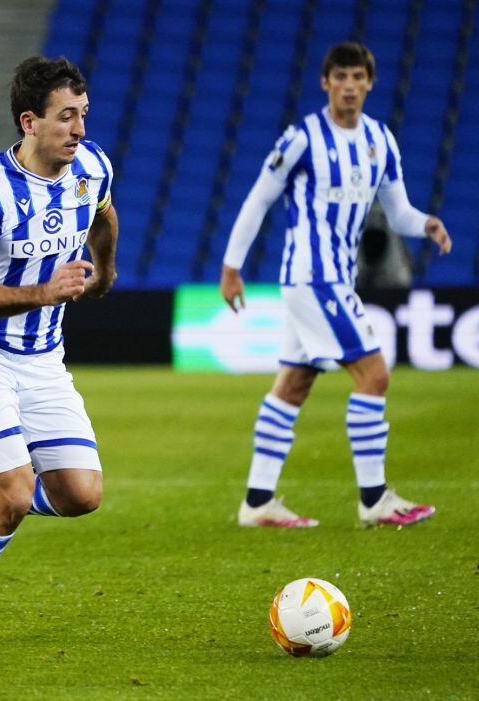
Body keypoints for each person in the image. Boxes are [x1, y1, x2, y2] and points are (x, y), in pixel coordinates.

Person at [0, 56, 118, 651]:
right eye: (66, 118)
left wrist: (105, 272)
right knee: (13, 494)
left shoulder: (92, 166)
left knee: (80, 495)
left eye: (83, 115)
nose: (80, 129)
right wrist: (46, 290)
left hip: (44, 358)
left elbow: (103, 213)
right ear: (29, 122)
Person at [219, 42, 452, 529]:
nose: (349, 85)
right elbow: (259, 199)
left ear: (370, 83)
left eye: (357, 77)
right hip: (311, 274)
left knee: (294, 385)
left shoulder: (380, 140)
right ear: (325, 83)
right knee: (375, 374)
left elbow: (399, 211)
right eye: (339, 76)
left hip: (331, 276)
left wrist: (427, 222)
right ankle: (374, 500)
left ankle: (258, 502)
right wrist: (232, 267)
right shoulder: (301, 138)